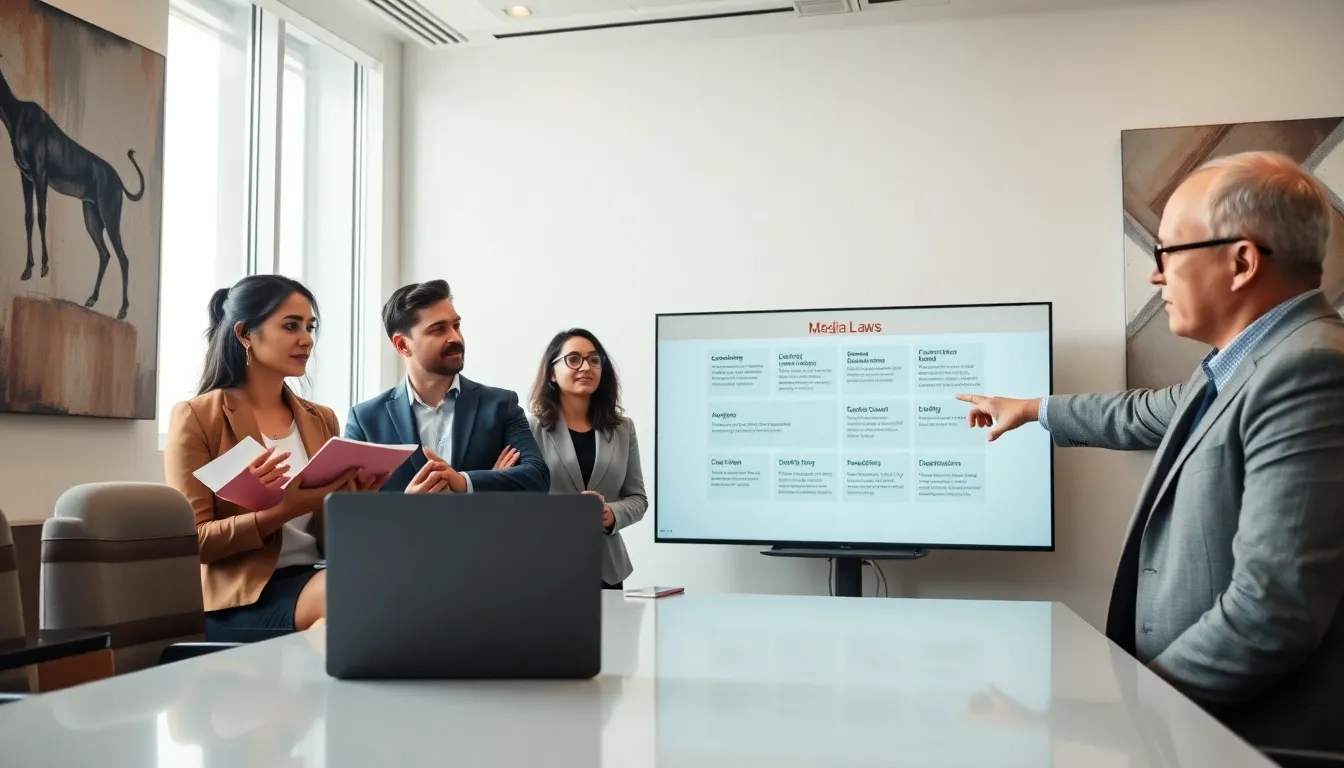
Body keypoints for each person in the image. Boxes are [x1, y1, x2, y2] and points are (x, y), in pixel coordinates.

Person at [957, 150, 1344, 752]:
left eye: (1168, 253)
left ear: (1241, 261)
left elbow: (1272, 610)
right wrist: (1032, 409)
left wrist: (1131, 712)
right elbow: (1142, 413)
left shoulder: (1309, 369)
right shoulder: (1245, 365)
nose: (1155, 276)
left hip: (1245, 743)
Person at [164, 275, 380, 635]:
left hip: (317, 576)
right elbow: (194, 542)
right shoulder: (198, 417)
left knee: (376, 598)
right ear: (245, 334)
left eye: (310, 327)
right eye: (291, 326)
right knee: (354, 597)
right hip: (243, 597)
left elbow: (332, 534)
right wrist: (282, 510)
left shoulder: (321, 418)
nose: (306, 339)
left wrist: (356, 501)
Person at [346, 279, 549, 493]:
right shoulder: (366, 420)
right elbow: (348, 505)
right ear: (403, 345)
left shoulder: (500, 405)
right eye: (438, 329)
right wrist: (404, 505)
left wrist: (464, 482)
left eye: (456, 326)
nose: (455, 337)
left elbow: (537, 478)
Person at [528, 329, 647, 589]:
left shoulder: (623, 429)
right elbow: (517, 504)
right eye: (573, 359)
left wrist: (610, 514)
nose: (586, 367)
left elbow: (638, 499)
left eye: (594, 360)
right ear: (552, 372)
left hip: (606, 571)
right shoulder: (530, 429)